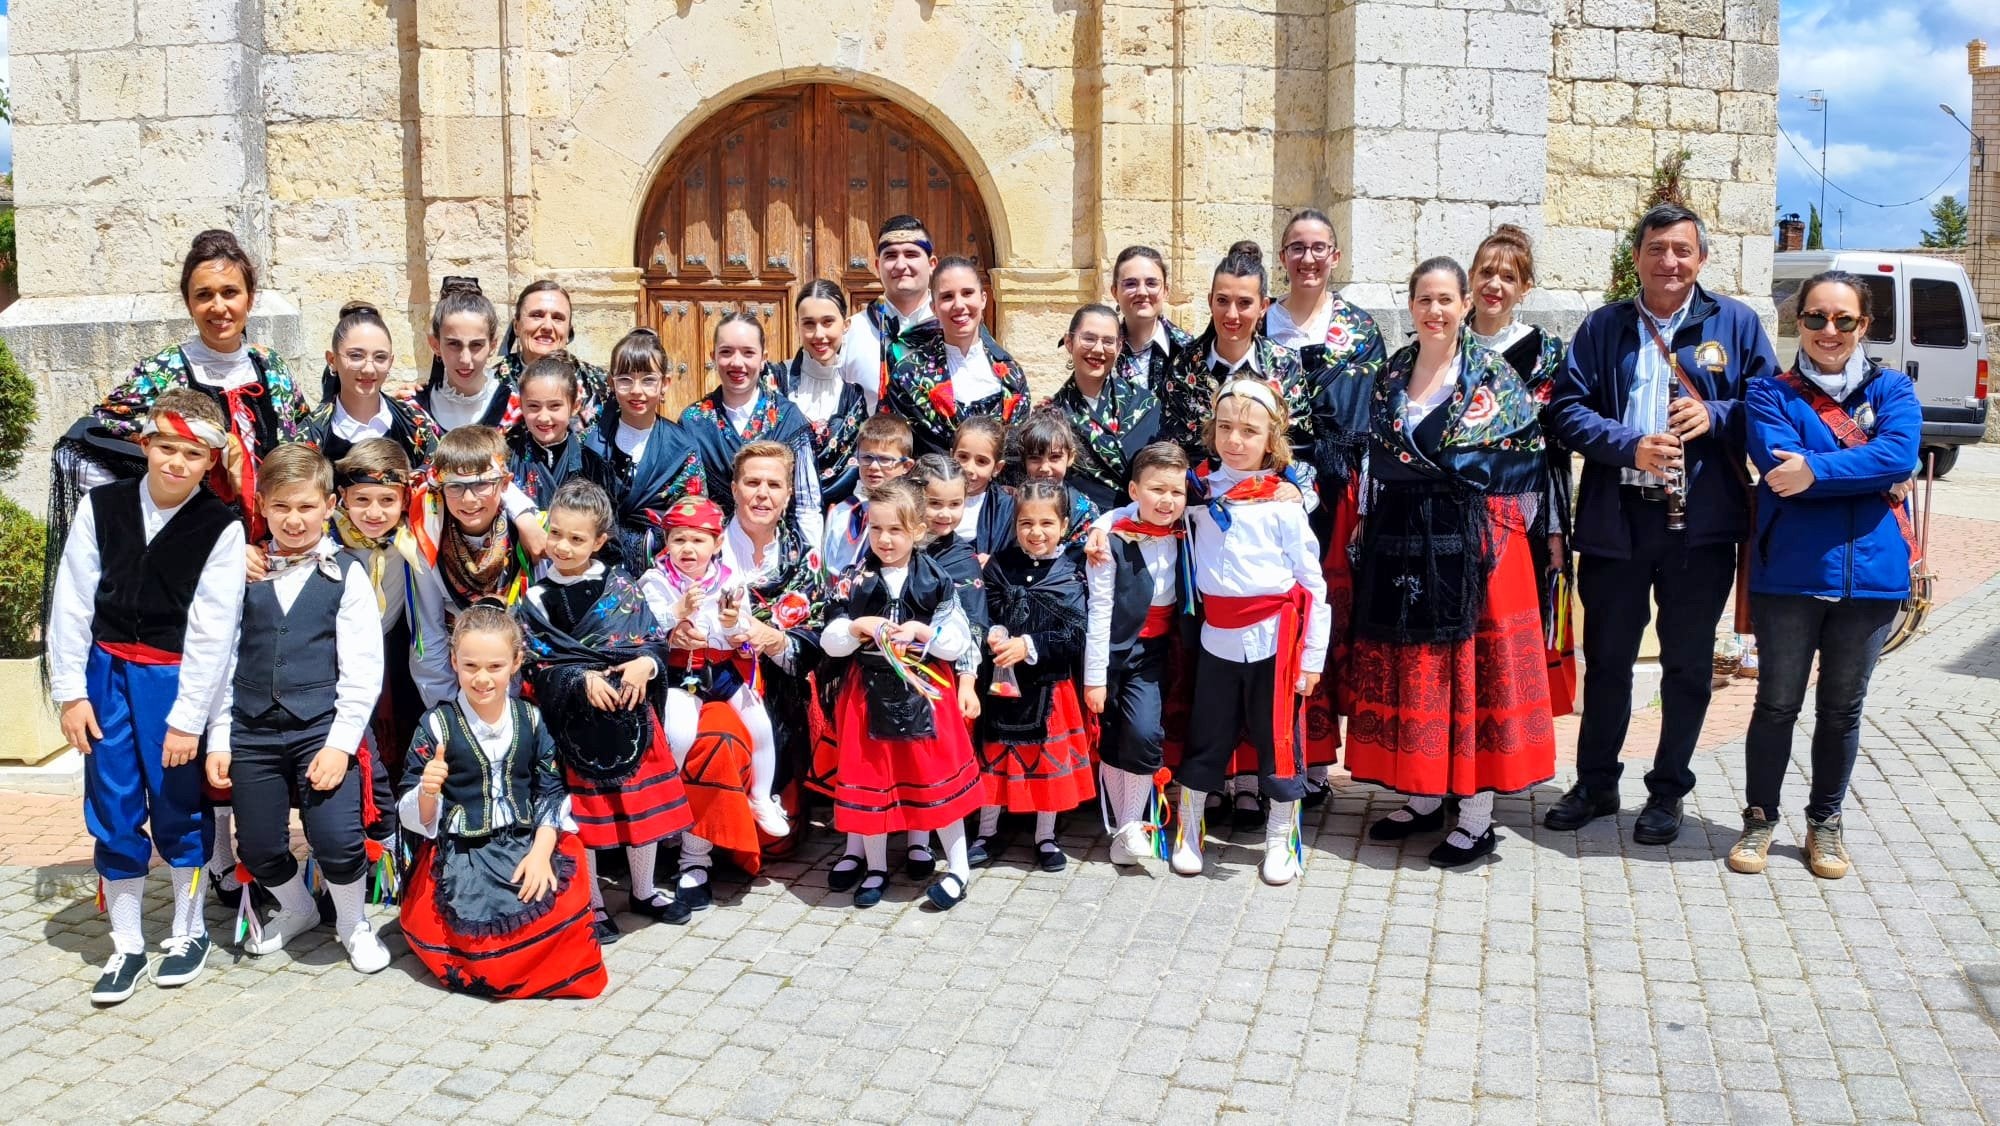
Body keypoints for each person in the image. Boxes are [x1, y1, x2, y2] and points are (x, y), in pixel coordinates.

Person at [1546, 203, 1777, 845]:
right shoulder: (1603, 327)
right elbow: (1566, 411)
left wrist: (1720, 416)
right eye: (1656, 249)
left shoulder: (1736, 323)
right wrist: (1628, 445)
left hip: (1699, 528)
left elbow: (1771, 404)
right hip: (1618, 521)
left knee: (1687, 665)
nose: (1668, 262)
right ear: (1637, 256)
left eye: (1681, 250)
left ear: (1701, 258)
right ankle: (1594, 782)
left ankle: (1669, 790)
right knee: (1610, 661)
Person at [1344, 257, 1559, 868]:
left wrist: (1496, 537)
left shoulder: (1492, 375)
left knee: (1470, 672)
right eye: (1423, 301)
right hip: (1404, 537)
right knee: (1416, 666)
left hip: (1480, 544)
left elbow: (1524, 461)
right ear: (1410, 307)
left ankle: (1476, 816)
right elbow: (1373, 456)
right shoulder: (1391, 375)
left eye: (1445, 300)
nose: (1434, 311)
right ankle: (1423, 792)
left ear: (1466, 304)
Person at [45, 389, 246, 1003]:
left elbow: (216, 633)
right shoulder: (99, 507)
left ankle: (188, 932)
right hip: (106, 675)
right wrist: (71, 692)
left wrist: (191, 722)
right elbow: (73, 603)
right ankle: (127, 944)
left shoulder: (221, 526)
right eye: (166, 447)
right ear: (145, 445)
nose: (177, 463)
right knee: (113, 802)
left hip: (173, 678)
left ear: (210, 460)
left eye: (191, 452)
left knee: (177, 803)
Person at [1727, 271, 1920, 880]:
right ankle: (1759, 818)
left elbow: (1901, 454)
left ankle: (1825, 823)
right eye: (1816, 318)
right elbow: (1776, 466)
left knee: (1842, 710)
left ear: (1864, 325)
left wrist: (1815, 471)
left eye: (1843, 320)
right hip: (1790, 573)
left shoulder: (1895, 390)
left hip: (1873, 578)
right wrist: (1859, 473)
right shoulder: (1767, 394)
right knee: (1777, 703)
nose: (1828, 331)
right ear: (1798, 323)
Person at [208, 444, 390, 970]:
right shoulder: (242, 572)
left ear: (330, 505)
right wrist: (221, 736)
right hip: (253, 730)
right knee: (259, 845)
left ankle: (354, 923)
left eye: (306, 507)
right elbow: (221, 658)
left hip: (321, 728)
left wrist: (339, 744)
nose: (294, 519)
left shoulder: (347, 575)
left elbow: (362, 672)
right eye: (282, 507)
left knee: (337, 840)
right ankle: (298, 907)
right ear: (262, 506)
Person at [48, 229, 308, 549]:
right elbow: (80, 446)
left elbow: (304, 456)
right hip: (198, 554)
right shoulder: (162, 372)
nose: (218, 306)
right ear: (188, 303)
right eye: (204, 295)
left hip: (277, 552)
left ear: (250, 298)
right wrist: (162, 524)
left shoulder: (274, 368)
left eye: (230, 292)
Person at [396, 604, 606, 999]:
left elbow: (550, 789)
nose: (482, 678)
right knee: (487, 953)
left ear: (516, 662)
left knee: (561, 904)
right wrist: (427, 790)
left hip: (527, 839)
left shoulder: (531, 719)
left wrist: (542, 854)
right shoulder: (435, 725)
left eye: (495, 666)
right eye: (470, 665)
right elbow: (417, 819)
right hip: (463, 851)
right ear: (454, 660)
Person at [516, 479, 694, 939]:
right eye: (555, 533)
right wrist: (579, 680)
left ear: (599, 541)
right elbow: (535, 664)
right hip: (571, 726)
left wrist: (645, 666)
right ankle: (593, 902)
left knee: (641, 811)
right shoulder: (535, 601)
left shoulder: (622, 587)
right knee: (584, 817)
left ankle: (643, 888)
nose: (562, 546)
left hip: (630, 715)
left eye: (577, 538)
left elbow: (653, 641)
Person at [1175, 380, 1329, 886]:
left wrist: (1312, 659)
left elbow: (1312, 583)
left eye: (1249, 431)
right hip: (1217, 635)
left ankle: (1282, 833)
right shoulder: (1192, 491)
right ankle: (1189, 824)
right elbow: (1143, 510)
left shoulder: (1284, 501)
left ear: (1271, 439)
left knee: (1277, 737)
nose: (1235, 440)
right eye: (1225, 428)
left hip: (1274, 639)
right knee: (1209, 732)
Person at [819, 478, 984, 910]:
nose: (885, 539)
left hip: (926, 693)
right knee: (871, 776)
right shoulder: (854, 579)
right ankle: (875, 867)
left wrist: (925, 632)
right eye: (876, 529)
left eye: (896, 530)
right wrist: (857, 628)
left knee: (933, 778)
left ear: (917, 530)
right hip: (867, 693)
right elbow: (830, 638)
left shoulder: (937, 578)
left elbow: (959, 638)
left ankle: (959, 868)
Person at [1467, 225, 1575, 713]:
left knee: (1509, 636)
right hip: (1453, 512)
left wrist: (1554, 530)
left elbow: (1553, 445)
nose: (1495, 285)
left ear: (1525, 287)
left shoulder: (1546, 352)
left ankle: (1500, 751)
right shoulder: (1445, 340)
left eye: (1508, 276)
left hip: (1522, 513)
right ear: (1470, 278)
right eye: (1486, 272)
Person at [638, 497, 790, 838]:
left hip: (722, 670)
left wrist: (733, 623)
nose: (687, 549)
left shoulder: (729, 580)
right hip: (680, 673)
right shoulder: (655, 580)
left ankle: (762, 798)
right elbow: (645, 627)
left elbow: (743, 633)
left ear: (717, 542)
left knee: (761, 727)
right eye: (679, 539)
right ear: (667, 542)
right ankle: (669, 805)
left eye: (698, 539)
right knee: (679, 732)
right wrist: (677, 612)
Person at [970, 480, 1094, 873]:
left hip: (1048, 685)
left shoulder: (1069, 572)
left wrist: (1030, 644)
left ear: (1063, 524)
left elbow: (1075, 632)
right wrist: (992, 631)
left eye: (1046, 523)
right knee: (996, 756)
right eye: (1026, 523)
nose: (1035, 533)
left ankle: (1046, 835)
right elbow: (983, 609)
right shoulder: (1000, 566)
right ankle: (986, 832)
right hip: (1001, 685)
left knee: (1045, 764)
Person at [1083, 442, 1191, 867]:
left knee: (1145, 734)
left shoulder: (1189, 528)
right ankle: (1122, 828)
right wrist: (1094, 677)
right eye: (1156, 489)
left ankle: (1132, 822)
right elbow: (1099, 610)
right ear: (1133, 490)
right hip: (1111, 651)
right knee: (1112, 735)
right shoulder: (1111, 541)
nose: (1166, 500)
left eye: (1176, 492)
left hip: (1154, 653)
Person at [328, 438, 424, 894]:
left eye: (387, 500)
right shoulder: (326, 543)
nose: (374, 511)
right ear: (342, 498)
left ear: (405, 498)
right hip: (340, 662)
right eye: (361, 499)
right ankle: (349, 854)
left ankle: (399, 855)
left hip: (397, 656)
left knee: (397, 753)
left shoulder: (414, 539)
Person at [408, 426, 536, 708]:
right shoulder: (426, 536)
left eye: (481, 485)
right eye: (455, 486)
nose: (469, 500)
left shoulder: (527, 535)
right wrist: (448, 709)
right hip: (453, 677)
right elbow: (428, 632)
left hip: (516, 679)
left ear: (505, 484)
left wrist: (510, 703)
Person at [681, 312, 825, 551]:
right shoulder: (693, 421)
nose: (737, 363)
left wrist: (811, 562)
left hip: (779, 554)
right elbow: (690, 502)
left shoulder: (789, 418)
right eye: (726, 352)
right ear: (713, 357)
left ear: (763, 359)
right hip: (715, 555)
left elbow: (807, 505)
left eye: (748, 353)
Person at [1163, 242, 1312, 465]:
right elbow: (1174, 448)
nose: (1232, 315)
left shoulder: (1284, 365)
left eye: (1244, 303)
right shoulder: (1184, 366)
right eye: (1222, 301)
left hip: (1270, 490)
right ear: (1210, 301)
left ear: (1263, 306)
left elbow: (1300, 445)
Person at [583, 328, 707, 576]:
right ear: (611, 382)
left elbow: (693, 517)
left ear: (665, 383)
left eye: (648, 379)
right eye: (625, 379)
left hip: (664, 571)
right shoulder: (591, 443)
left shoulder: (682, 449)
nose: (637, 391)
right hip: (596, 565)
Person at [885, 256, 1029, 458]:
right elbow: (898, 449)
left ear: (983, 299)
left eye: (967, 293)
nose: (959, 305)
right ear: (934, 307)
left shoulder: (1010, 374)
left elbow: (1019, 450)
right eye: (947, 297)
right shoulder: (908, 376)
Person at [1047, 303, 1161, 513]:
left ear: (1119, 348)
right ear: (1069, 342)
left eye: (1108, 341)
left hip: (1144, 524)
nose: (1098, 349)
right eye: (1089, 339)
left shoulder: (1147, 405)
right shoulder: (1052, 416)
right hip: (1083, 530)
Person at [299, 302, 444, 466]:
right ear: (332, 360)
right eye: (356, 356)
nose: (369, 369)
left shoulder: (416, 425)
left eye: (380, 357)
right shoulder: (310, 437)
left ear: (391, 361)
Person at [775, 280, 871, 509]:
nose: (819, 334)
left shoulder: (855, 396)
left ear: (845, 325)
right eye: (809, 324)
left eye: (828, 322)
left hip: (839, 518)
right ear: (796, 325)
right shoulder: (774, 381)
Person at [839, 214, 939, 413]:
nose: (901, 265)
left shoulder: (954, 329)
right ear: (877, 266)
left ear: (932, 264)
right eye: (891, 256)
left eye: (911, 254)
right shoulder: (851, 333)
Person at [506, 351, 618, 510]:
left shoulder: (593, 466)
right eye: (533, 406)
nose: (544, 417)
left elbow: (607, 528)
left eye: (554, 406)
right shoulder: (507, 460)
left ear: (575, 406)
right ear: (521, 406)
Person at [493, 278, 613, 425]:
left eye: (558, 318)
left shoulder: (600, 385)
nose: (547, 326)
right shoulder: (490, 384)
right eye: (537, 315)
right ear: (516, 325)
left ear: (568, 331)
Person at [417, 277, 519, 432]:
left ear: (493, 345)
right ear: (435, 345)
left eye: (476, 345)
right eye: (454, 344)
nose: (465, 359)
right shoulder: (414, 411)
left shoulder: (516, 412)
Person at [824, 413, 915, 577]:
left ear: (906, 466)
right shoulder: (842, 511)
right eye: (867, 457)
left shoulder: (912, 516)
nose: (873, 466)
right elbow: (829, 567)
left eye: (885, 459)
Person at [1111, 245, 1197, 402]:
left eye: (1151, 283)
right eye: (1130, 284)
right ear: (1115, 292)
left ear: (1165, 291)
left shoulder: (1188, 351)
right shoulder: (1103, 349)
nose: (1142, 292)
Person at [1010, 406, 1103, 547]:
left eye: (1055, 457)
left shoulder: (1083, 511)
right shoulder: (1008, 502)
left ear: (1070, 457)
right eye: (1035, 458)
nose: (1045, 468)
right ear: (1024, 460)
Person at [951, 415, 1015, 561]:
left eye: (981, 461)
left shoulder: (1006, 510)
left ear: (997, 468)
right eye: (963, 457)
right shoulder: (928, 498)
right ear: (951, 455)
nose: (969, 468)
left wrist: (994, 564)